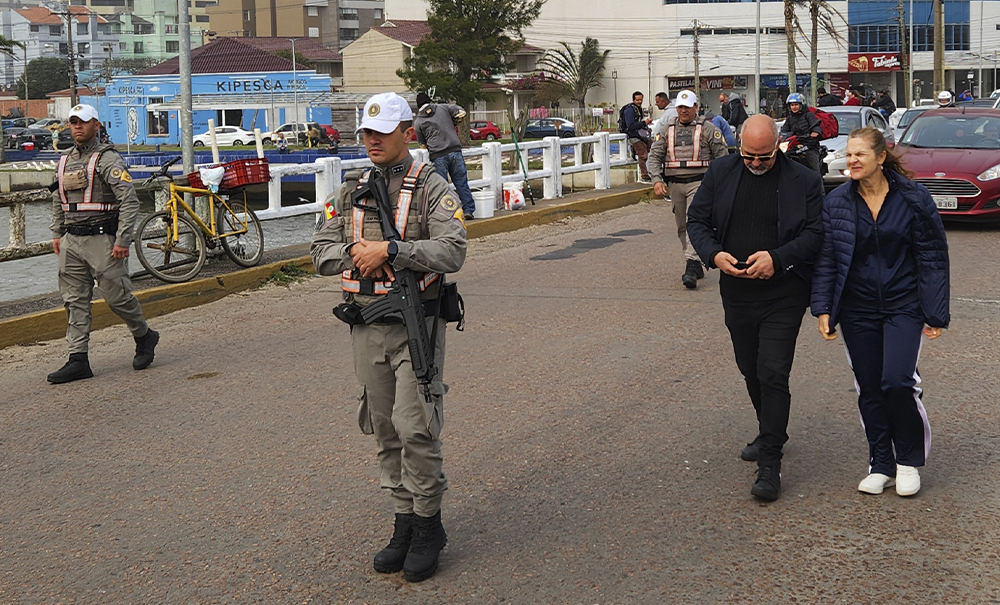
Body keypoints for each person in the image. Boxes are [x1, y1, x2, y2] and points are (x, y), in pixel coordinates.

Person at [311, 92, 467, 582]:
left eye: (382, 132)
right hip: (366, 324)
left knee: (414, 424)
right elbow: (319, 250)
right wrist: (359, 252)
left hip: (417, 324)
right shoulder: (350, 189)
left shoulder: (432, 187)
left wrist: (393, 250)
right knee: (383, 427)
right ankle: (403, 521)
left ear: (408, 133)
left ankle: (428, 524)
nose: (372, 140)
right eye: (366, 133)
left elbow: (451, 249)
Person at [687, 115, 824, 502]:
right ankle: (772, 430)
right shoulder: (721, 171)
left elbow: (816, 234)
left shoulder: (804, 180)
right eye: (749, 156)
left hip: (784, 292)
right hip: (737, 290)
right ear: (739, 147)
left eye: (764, 157)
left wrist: (778, 259)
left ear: (777, 145)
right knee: (750, 367)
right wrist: (714, 255)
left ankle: (770, 462)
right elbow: (697, 220)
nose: (757, 164)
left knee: (773, 371)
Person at [811, 127, 949, 497]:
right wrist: (823, 308)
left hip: (904, 304)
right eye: (849, 155)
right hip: (857, 308)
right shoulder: (837, 202)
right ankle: (881, 463)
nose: (852, 161)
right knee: (869, 386)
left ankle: (908, 461)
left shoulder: (913, 198)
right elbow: (827, 259)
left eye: (860, 155)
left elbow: (932, 257)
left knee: (898, 382)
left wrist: (935, 312)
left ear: (880, 158)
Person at [47, 104, 159, 384]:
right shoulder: (63, 161)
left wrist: (122, 240)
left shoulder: (108, 160)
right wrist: (56, 233)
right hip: (72, 241)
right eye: (73, 122)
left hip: (102, 240)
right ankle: (78, 359)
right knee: (73, 301)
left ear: (96, 125)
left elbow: (129, 201)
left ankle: (144, 335)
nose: (77, 127)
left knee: (117, 297)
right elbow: (58, 199)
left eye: (83, 122)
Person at [648, 90, 729, 289]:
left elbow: (722, 158)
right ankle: (696, 259)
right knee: (681, 225)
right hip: (675, 184)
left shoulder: (708, 129)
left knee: (694, 220)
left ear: (695, 107)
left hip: (700, 183)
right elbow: (654, 156)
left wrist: (719, 184)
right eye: (680, 107)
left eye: (687, 107)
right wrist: (657, 180)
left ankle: (692, 263)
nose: (683, 111)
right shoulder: (667, 129)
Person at [414, 91, 478, 219]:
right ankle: (468, 210)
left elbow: (422, 144)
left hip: (438, 155)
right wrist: (455, 119)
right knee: (461, 183)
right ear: (429, 101)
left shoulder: (419, 121)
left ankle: (447, 213)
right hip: (455, 150)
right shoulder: (443, 108)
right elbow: (459, 110)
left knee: (442, 187)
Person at [779, 93, 823, 173]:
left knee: (814, 170)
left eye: (796, 104)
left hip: (809, 145)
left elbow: (815, 125)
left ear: (801, 105)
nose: (794, 107)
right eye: (792, 105)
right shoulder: (789, 119)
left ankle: (817, 184)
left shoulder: (809, 115)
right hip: (794, 146)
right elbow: (784, 131)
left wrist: (816, 132)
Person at [623, 91, 652, 182]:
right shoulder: (630, 110)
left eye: (641, 100)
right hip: (633, 135)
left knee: (654, 147)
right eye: (637, 100)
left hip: (640, 134)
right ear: (633, 100)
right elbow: (630, 126)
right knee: (643, 155)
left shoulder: (638, 109)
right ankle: (644, 176)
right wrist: (644, 123)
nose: (639, 102)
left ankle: (654, 172)